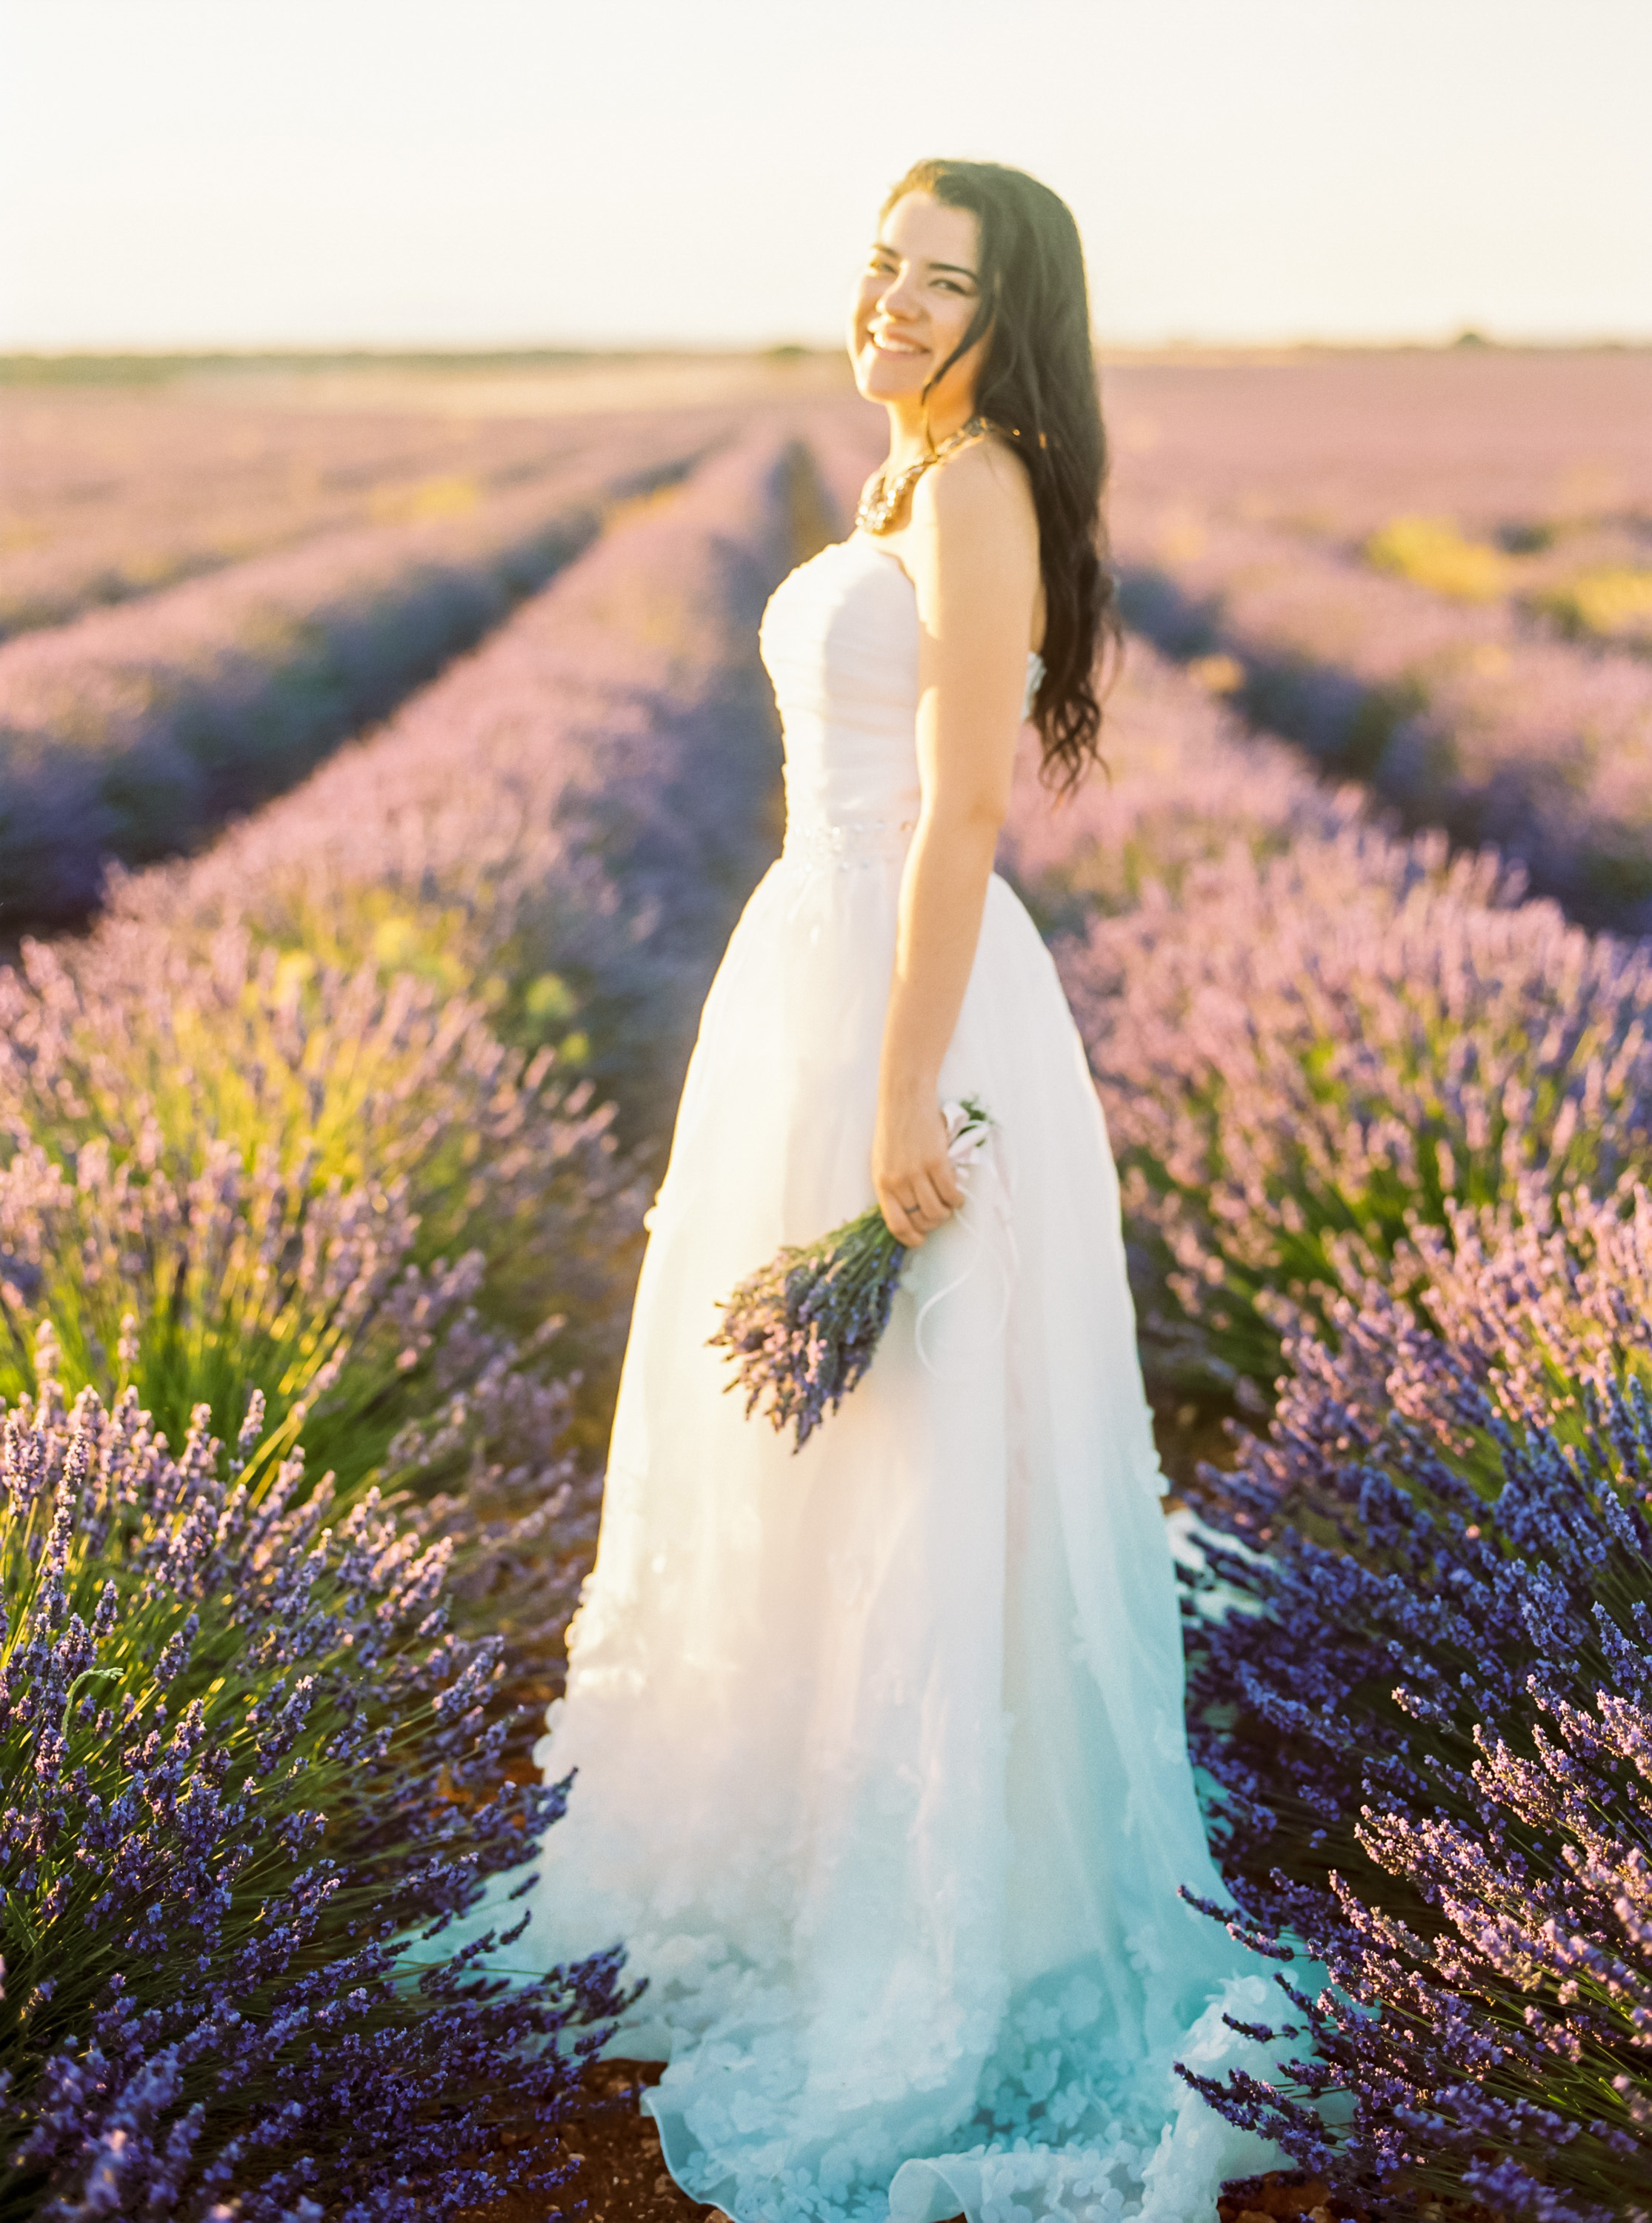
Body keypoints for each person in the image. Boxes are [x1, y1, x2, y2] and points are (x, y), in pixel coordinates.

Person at [499, 159, 1289, 2222]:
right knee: (824, 1450)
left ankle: (944, 1917)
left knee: (925, 1443)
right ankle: (799, 1833)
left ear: (1011, 316)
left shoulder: (974, 491)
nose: (900, 299)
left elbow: (960, 815)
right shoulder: (902, 478)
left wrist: (903, 1094)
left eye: (946, 282)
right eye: (886, 260)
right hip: (816, 970)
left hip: (901, 996)